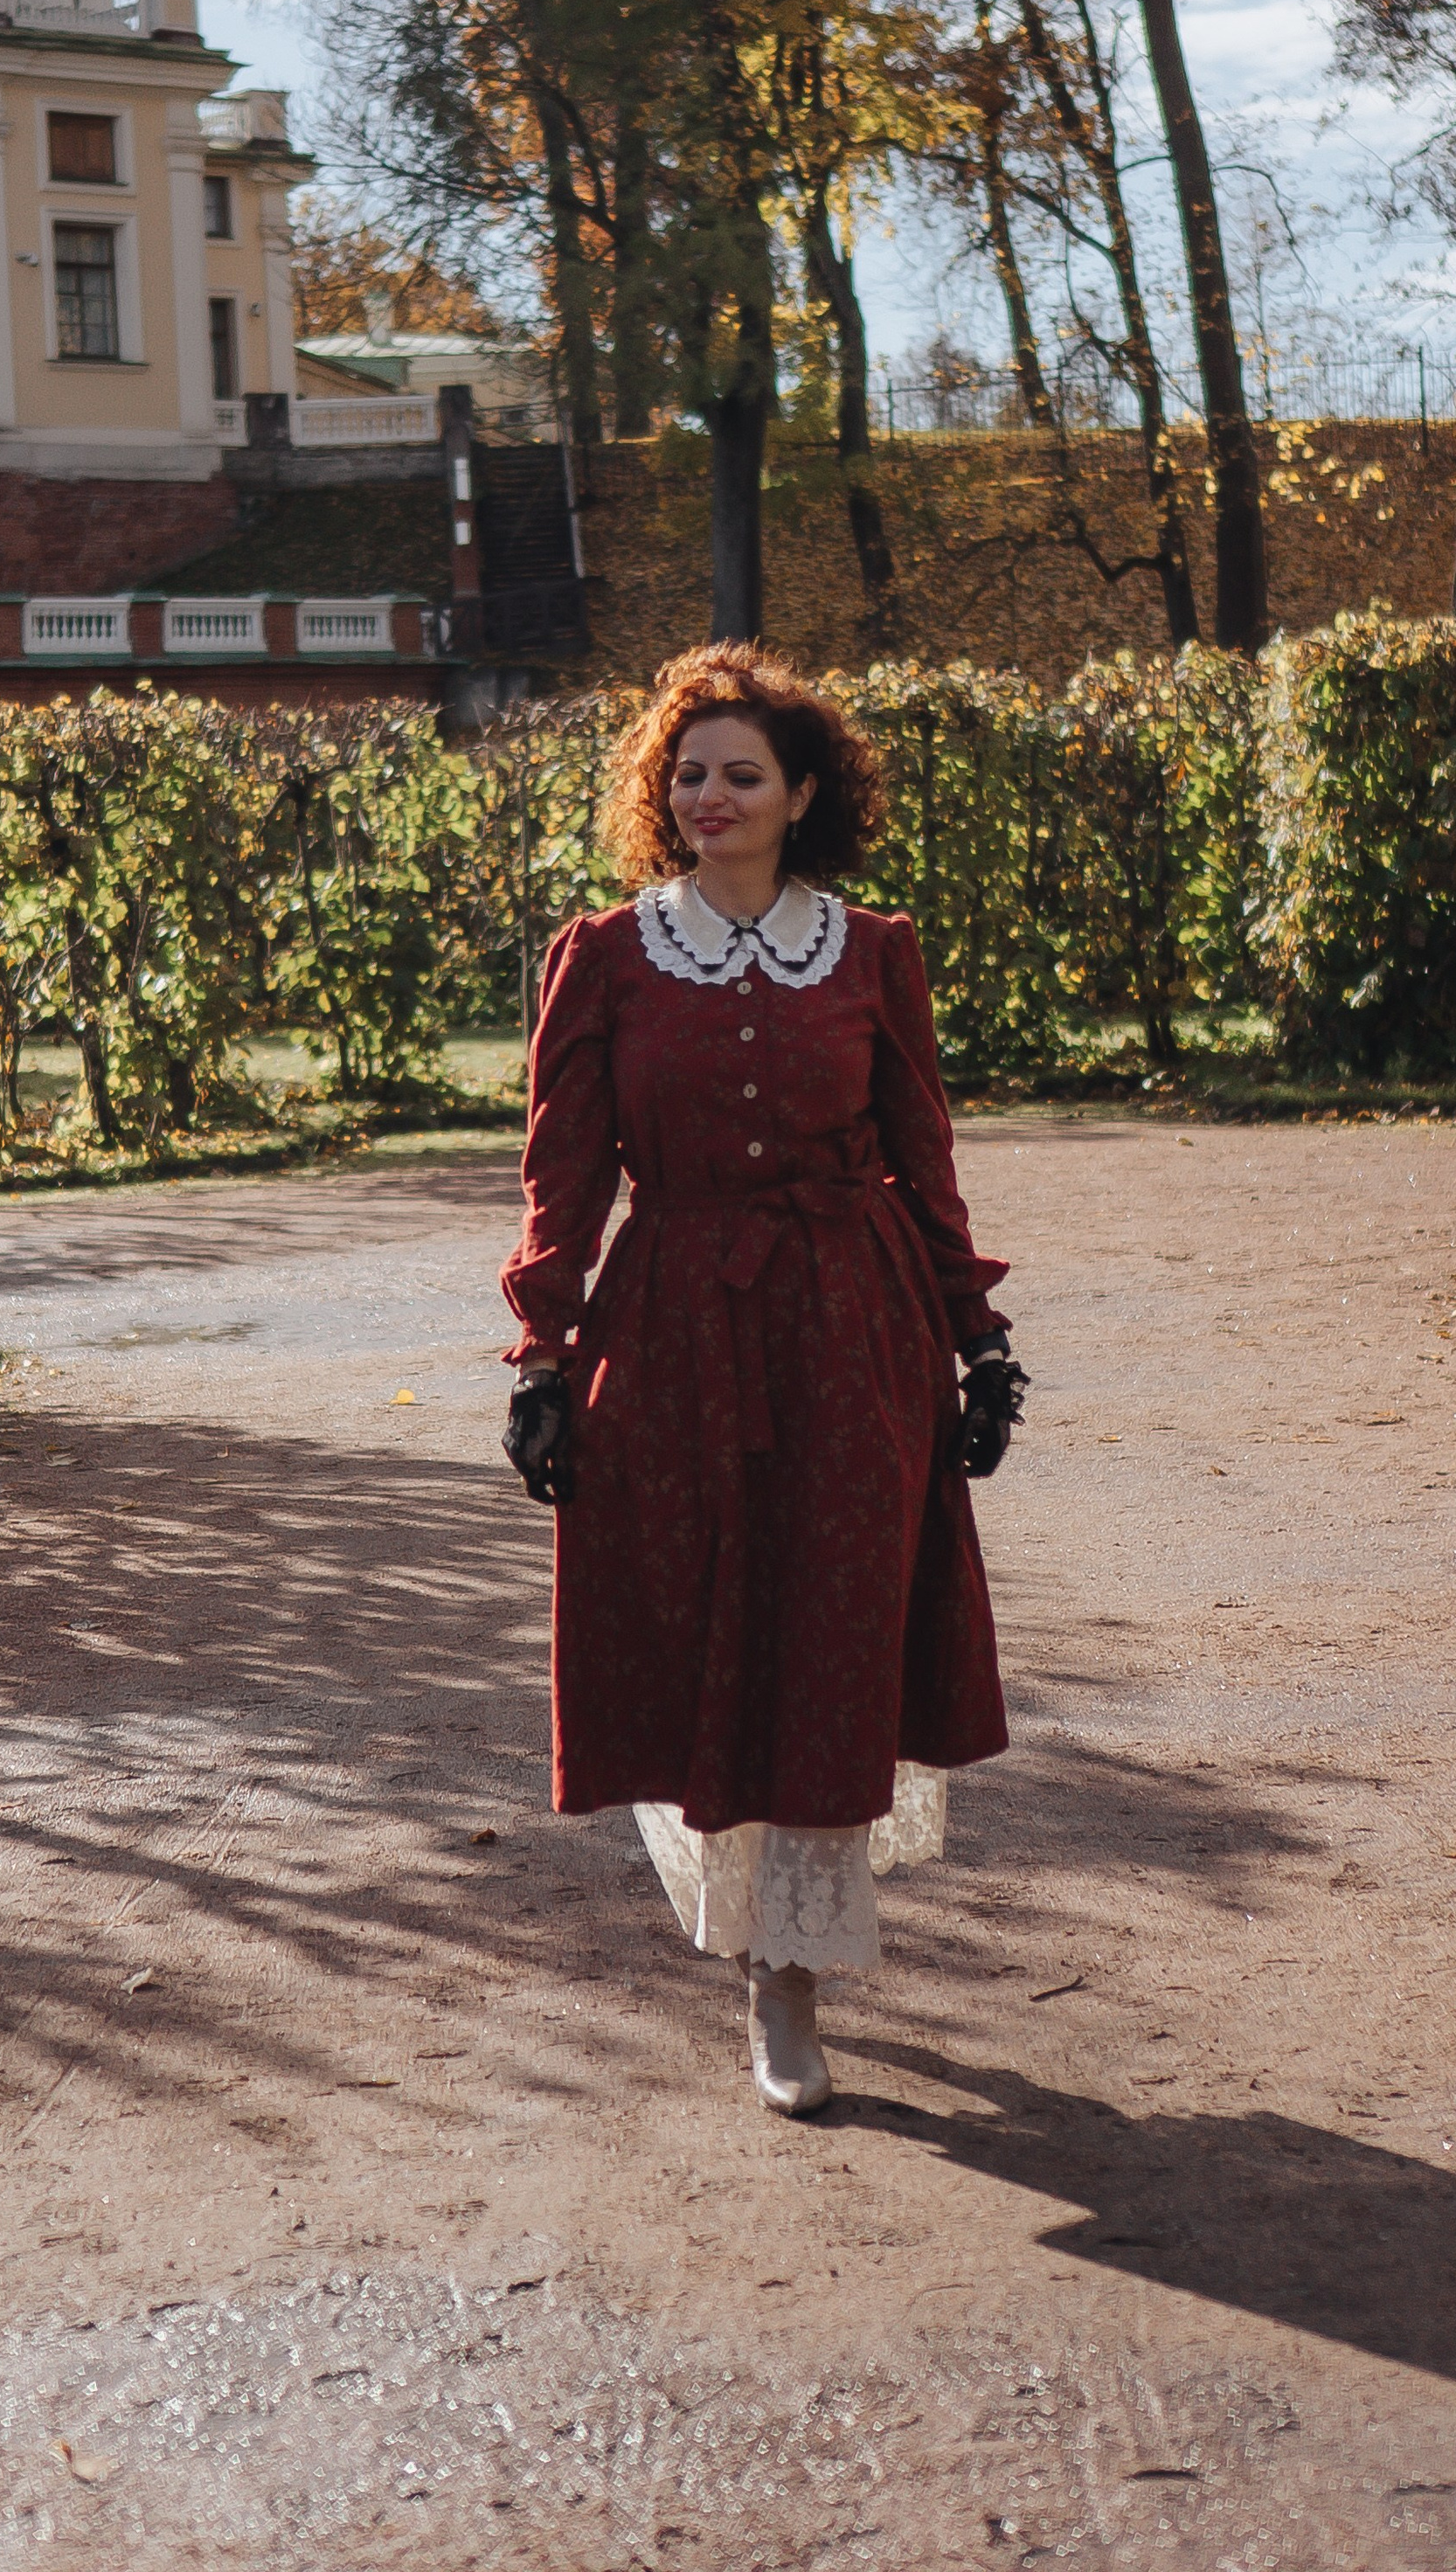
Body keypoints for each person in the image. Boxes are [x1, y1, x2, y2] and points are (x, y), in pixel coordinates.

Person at [499, 643, 1027, 2117]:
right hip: (671, 1334)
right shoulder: (607, 957)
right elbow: (563, 1179)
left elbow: (924, 1160)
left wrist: (977, 1337)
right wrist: (541, 1353)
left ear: (803, 794)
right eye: (688, 775)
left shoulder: (871, 953)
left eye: (742, 774)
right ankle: (748, 1934)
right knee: (696, 1635)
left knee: (832, 1638)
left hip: (852, 1332)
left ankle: (789, 1976)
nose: (710, 796)